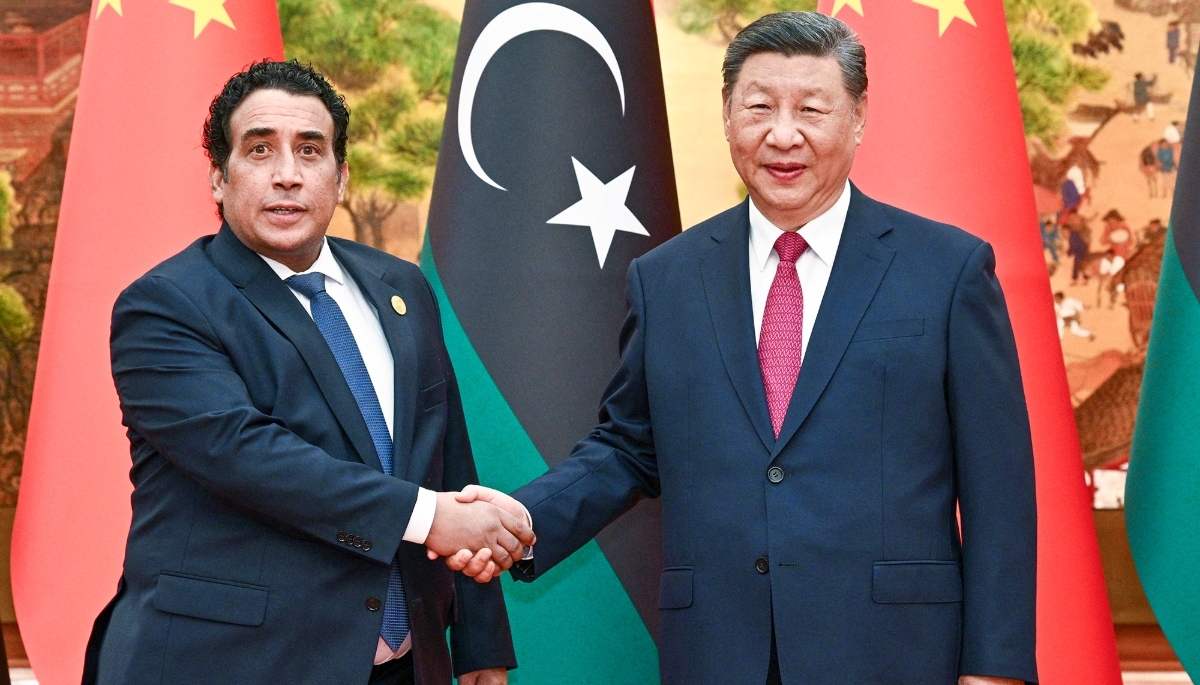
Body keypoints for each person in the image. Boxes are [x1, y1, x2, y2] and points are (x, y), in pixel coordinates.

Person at [447, 13, 1037, 685]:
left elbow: (1000, 490)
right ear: (728, 116)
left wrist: (996, 670)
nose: (783, 135)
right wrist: (522, 517)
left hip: (894, 654)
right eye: (759, 107)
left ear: (859, 116)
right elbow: (627, 445)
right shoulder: (667, 277)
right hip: (720, 653)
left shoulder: (947, 270)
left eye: (812, 109)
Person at [83, 61, 533, 685]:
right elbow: (247, 456)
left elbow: (448, 461)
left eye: (310, 151)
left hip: (406, 663)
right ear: (218, 177)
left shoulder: (400, 287)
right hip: (230, 664)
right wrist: (432, 517)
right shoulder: (166, 304)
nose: (287, 175)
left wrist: (480, 644)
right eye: (260, 149)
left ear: (341, 176)